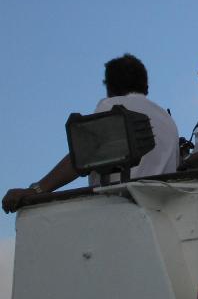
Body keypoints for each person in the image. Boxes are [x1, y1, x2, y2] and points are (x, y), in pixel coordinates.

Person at [2, 53, 179, 214]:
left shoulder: (112, 107)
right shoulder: (167, 119)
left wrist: (36, 190)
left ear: (109, 88)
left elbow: (81, 157)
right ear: (146, 87)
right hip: (162, 212)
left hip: (122, 213)